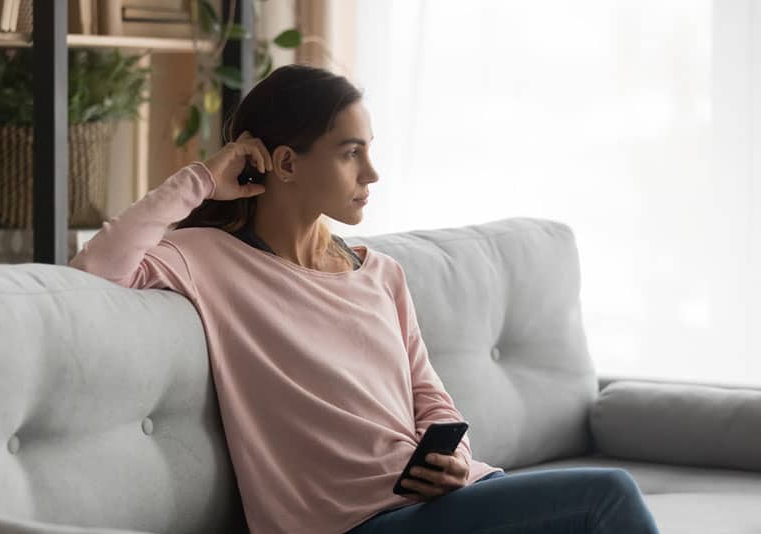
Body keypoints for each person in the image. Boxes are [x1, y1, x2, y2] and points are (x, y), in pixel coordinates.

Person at [70, 64, 660, 534]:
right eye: (351, 151)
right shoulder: (209, 258)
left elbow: (432, 399)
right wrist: (204, 177)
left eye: (369, 149)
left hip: (441, 503)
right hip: (354, 523)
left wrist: (453, 458)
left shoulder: (381, 274)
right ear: (284, 163)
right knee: (608, 496)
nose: (372, 172)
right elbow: (95, 268)